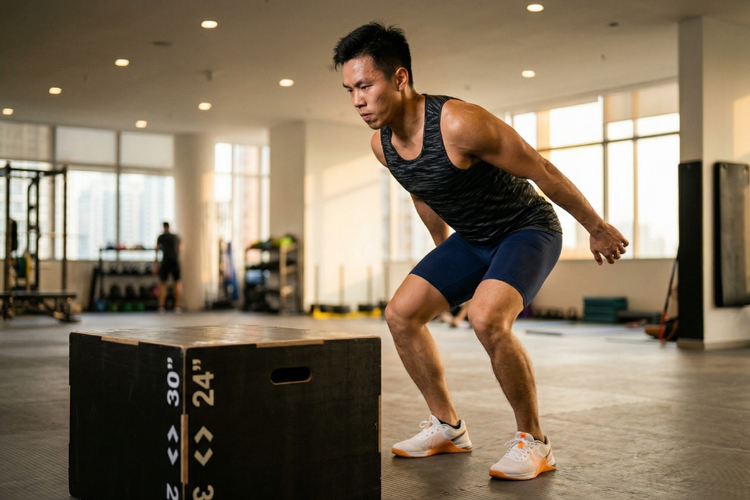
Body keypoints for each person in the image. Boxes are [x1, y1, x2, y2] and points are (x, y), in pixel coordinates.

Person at [333, 22, 628, 480]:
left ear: (400, 78)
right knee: (400, 314)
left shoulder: (458, 121)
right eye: (350, 89)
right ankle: (448, 427)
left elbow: (541, 169)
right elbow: (422, 191)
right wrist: (442, 255)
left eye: (365, 86)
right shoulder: (382, 146)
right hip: (472, 238)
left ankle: (535, 442)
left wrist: (596, 226)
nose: (357, 100)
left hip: (526, 228)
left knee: (486, 317)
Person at [155, 222, 182, 313]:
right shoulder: (176, 237)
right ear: (169, 227)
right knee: (177, 282)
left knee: (162, 283)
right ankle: (177, 306)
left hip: (165, 261)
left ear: (164, 227)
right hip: (175, 261)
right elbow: (180, 250)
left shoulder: (161, 237)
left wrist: (156, 261)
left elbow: (157, 249)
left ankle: (161, 307)